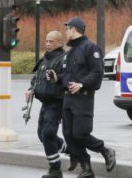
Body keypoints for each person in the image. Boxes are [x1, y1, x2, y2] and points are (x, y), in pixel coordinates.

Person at [59, 17, 116, 178]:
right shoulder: (69, 51)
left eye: (67, 28)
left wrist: (81, 84)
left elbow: (97, 73)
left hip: (83, 98)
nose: (66, 31)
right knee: (69, 136)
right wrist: (57, 78)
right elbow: (66, 75)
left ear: (75, 29)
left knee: (80, 133)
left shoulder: (90, 48)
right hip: (68, 98)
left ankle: (105, 150)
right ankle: (86, 169)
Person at [25, 31, 65, 178]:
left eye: (51, 41)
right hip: (45, 102)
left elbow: (65, 79)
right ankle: (70, 149)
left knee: (48, 134)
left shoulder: (62, 60)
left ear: (60, 43)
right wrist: (30, 90)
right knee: (42, 135)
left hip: (57, 102)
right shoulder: (44, 59)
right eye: (47, 41)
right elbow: (36, 77)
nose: (47, 44)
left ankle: (55, 170)